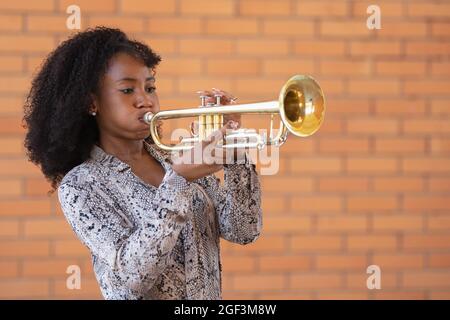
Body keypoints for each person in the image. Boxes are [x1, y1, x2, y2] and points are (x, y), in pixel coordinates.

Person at [22, 27, 262, 300]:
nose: (145, 100)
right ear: (92, 103)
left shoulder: (177, 160)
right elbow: (132, 276)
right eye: (127, 90)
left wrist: (235, 155)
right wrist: (178, 183)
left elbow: (243, 230)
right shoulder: (82, 185)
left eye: (150, 87)